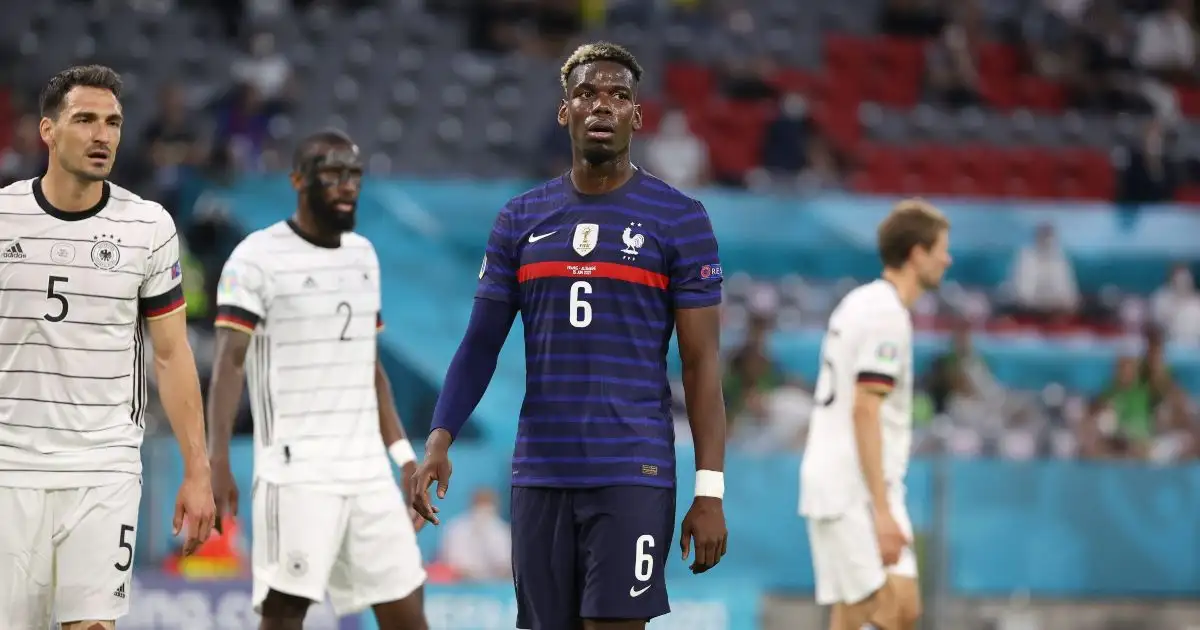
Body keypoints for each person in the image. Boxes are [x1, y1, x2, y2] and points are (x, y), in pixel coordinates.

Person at [410, 41, 730, 630]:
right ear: (565, 112)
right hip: (541, 473)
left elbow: (702, 362)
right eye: (586, 93)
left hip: (633, 470)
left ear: (638, 115)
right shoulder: (520, 218)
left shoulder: (680, 218)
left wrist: (709, 491)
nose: (602, 105)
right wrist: (438, 438)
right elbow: (480, 343)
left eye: (618, 95)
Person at [0, 64, 215, 629]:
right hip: (9, 465)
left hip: (104, 464)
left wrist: (199, 469)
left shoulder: (148, 226)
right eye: (86, 120)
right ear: (47, 130)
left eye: (113, 122)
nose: (103, 135)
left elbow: (170, 354)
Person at [207, 129, 428, 630]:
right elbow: (229, 364)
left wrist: (403, 456)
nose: (346, 185)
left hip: (368, 473)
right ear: (298, 180)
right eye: (332, 173)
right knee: (286, 613)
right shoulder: (256, 257)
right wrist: (215, 459)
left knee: (408, 612)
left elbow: (370, 368)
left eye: (353, 174)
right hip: (297, 472)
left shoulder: (364, 256)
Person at [800, 199, 952, 630]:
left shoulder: (861, 301)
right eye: (941, 247)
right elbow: (864, 408)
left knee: (867, 613)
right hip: (853, 487)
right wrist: (881, 511)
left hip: (856, 481)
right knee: (893, 608)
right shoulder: (887, 315)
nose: (948, 258)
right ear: (917, 253)